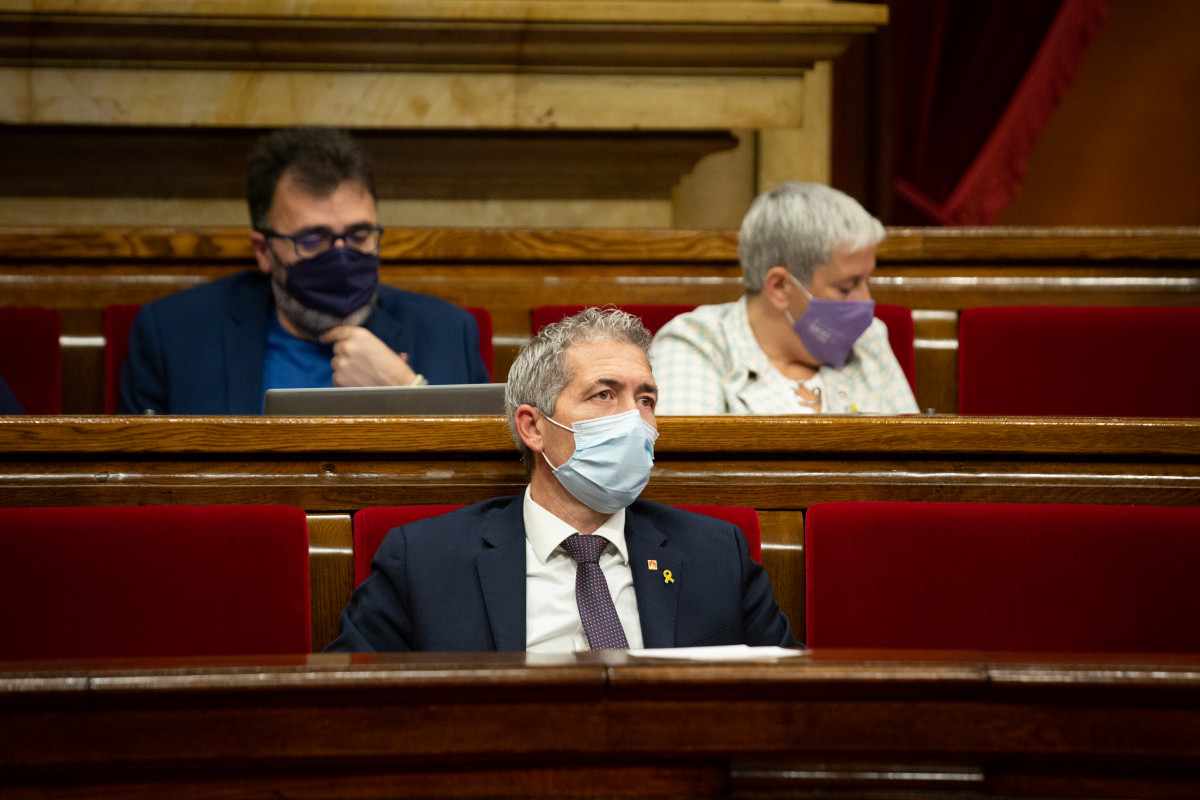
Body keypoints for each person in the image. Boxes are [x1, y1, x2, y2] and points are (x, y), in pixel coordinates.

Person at [326, 307, 798, 652]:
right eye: (604, 395)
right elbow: (345, 707)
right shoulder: (424, 561)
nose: (635, 419)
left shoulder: (717, 554)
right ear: (533, 427)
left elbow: (792, 698)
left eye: (646, 399)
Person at [119, 127, 488, 414]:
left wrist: (407, 391)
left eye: (359, 235)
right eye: (313, 240)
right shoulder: (174, 335)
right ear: (263, 251)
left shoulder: (448, 333)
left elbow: (491, 478)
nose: (341, 257)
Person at [650, 182, 918, 415]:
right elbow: (692, 472)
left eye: (866, 282)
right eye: (847, 287)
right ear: (780, 287)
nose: (865, 302)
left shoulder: (868, 340)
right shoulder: (698, 343)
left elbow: (916, 461)